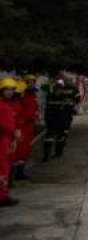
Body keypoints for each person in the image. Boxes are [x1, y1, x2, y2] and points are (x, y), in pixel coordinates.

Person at [14, 76, 39, 180]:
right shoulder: (20, 97)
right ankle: (14, 173)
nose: (31, 84)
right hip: (22, 125)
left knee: (26, 148)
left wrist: (36, 117)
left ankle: (20, 172)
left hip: (29, 125)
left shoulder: (32, 95)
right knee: (19, 149)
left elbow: (33, 109)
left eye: (33, 82)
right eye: (29, 82)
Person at [0, 77, 20, 207]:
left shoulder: (8, 105)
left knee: (5, 167)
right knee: (3, 168)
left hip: (7, 139)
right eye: (6, 89)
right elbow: (6, 125)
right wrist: (15, 133)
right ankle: (2, 197)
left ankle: (4, 194)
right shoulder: (2, 106)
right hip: (2, 139)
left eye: (11, 90)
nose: (9, 92)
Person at [43, 75, 70, 161]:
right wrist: (47, 121)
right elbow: (47, 111)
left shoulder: (64, 99)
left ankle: (58, 152)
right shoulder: (50, 97)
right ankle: (46, 155)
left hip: (61, 121)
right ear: (54, 90)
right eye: (57, 90)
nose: (58, 92)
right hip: (51, 121)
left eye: (60, 90)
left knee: (60, 138)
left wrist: (66, 120)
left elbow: (67, 111)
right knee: (48, 139)